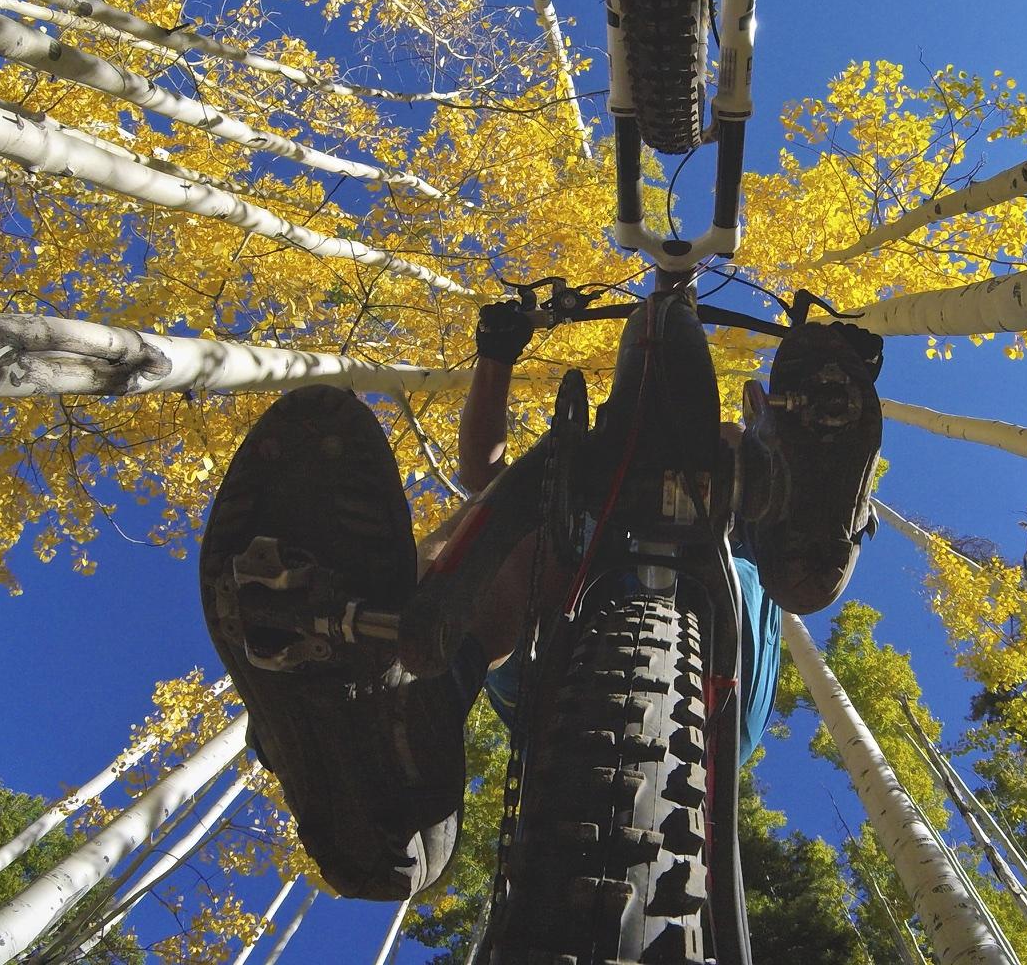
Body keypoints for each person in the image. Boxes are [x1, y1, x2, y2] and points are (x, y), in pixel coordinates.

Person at [198, 297, 882, 903]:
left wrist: (499, 353)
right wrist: (494, 357)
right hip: (581, 660)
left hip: (707, 656)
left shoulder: (739, 484)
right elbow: (488, 478)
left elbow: (481, 473)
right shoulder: (578, 489)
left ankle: (811, 471)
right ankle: (395, 678)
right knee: (505, 519)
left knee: (541, 520)